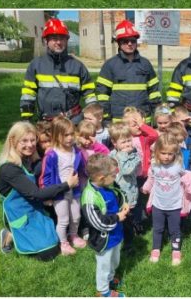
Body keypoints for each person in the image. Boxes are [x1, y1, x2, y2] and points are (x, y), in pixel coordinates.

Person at [0, 121, 78, 260]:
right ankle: (9, 234)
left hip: (35, 209)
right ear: (13, 141)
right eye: (24, 141)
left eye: (33, 140)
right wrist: (67, 184)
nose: (30, 145)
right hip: (19, 214)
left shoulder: (31, 161)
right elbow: (36, 194)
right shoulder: (9, 169)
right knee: (48, 254)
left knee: (56, 241)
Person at [21, 18, 97, 123]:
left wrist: (94, 115)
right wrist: (26, 119)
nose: (58, 42)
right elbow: (28, 94)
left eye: (62, 38)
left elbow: (90, 94)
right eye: (54, 38)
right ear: (46, 40)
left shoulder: (77, 66)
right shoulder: (36, 65)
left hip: (73, 123)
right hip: (46, 125)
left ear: (67, 40)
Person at [142, 135, 191, 265]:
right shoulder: (154, 165)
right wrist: (146, 188)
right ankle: (155, 249)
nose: (166, 156)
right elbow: (151, 178)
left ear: (175, 154)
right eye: (163, 153)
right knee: (157, 228)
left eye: (170, 154)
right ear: (157, 152)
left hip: (175, 205)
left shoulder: (178, 166)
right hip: (158, 204)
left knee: (174, 230)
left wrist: (190, 190)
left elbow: (186, 177)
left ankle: (176, 250)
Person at [39, 117, 88, 255]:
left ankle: (73, 235)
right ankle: (63, 243)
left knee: (76, 216)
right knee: (63, 219)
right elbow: (45, 176)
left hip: (75, 190)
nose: (70, 137)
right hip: (59, 193)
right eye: (66, 135)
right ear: (56, 135)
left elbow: (83, 167)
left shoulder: (76, 151)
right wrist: (47, 194)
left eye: (72, 134)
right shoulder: (52, 155)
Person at [95, 20, 162, 122]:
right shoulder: (110, 65)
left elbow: (154, 93)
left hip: (142, 120)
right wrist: (107, 118)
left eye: (133, 40)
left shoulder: (145, 64)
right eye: (125, 41)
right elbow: (102, 95)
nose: (130, 44)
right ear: (119, 42)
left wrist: (158, 116)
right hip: (120, 122)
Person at [81, 154, 128, 297]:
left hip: (115, 234)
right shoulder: (90, 197)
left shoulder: (108, 184)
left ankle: (110, 279)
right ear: (102, 177)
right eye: (114, 175)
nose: (116, 177)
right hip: (103, 239)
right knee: (104, 265)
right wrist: (117, 217)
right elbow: (98, 222)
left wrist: (123, 203)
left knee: (114, 260)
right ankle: (103, 291)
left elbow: (118, 193)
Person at [108, 123, 141, 242]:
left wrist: (123, 154)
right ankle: (120, 233)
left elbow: (126, 170)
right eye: (123, 142)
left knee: (130, 215)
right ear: (114, 142)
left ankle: (132, 236)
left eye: (129, 141)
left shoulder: (133, 155)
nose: (127, 144)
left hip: (129, 191)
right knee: (119, 213)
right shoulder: (111, 154)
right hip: (117, 191)